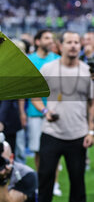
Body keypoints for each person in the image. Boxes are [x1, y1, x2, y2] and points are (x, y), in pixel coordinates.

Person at [32, 31, 94, 202]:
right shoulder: (48, 69)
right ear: (61, 46)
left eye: (76, 42)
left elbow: (92, 103)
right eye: (69, 42)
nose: (73, 45)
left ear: (80, 46)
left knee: (78, 183)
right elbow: (35, 95)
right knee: (45, 180)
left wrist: (91, 131)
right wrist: (45, 111)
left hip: (78, 135)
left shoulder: (87, 71)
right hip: (51, 133)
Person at [26, 30, 60, 171]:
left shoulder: (58, 59)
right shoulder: (29, 60)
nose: (51, 41)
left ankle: (55, 183)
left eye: (52, 38)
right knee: (38, 150)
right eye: (47, 38)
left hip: (55, 113)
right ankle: (41, 182)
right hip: (35, 112)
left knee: (56, 150)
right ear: (38, 41)